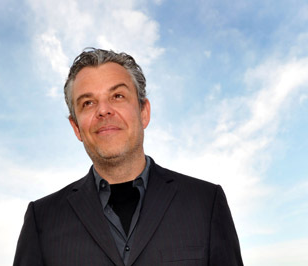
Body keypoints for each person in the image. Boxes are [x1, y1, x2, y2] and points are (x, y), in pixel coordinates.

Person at [13, 48, 243, 266]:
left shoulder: (205, 203)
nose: (103, 110)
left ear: (144, 112)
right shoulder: (41, 219)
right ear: (76, 127)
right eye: (88, 103)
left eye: (118, 96)